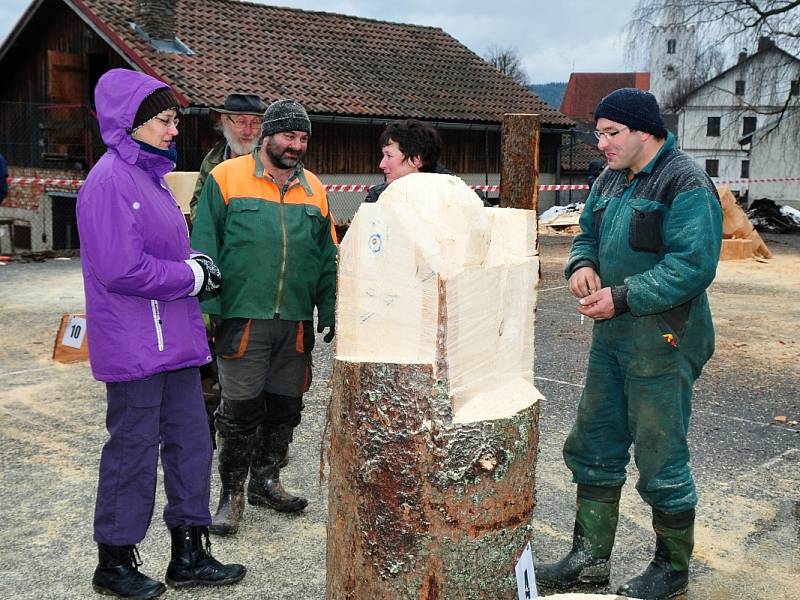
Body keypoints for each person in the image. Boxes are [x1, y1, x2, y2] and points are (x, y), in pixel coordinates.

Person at [536, 88, 722, 600]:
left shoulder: (685, 182)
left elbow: (692, 266)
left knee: (661, 455)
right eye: (598, 133)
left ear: (646, 130)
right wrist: (582, 265)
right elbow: (586, 233)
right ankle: (588, 560)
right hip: (614, 338)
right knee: (594, 444)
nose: (602, 143)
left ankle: (672, 567)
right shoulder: (612, 180)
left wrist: (622, 296)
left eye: (611, 133)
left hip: (664, 339)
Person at [77, 68, 246, 599]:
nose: (175, 130)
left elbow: (163, 251)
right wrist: (189, 277)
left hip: (173, 340)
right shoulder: (108, 182)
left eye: (175, 119)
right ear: (133, 122)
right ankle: (114, 561)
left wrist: (192, 260)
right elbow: (120, 268)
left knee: (191, 445)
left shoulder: (150, 178)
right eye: (167, 120)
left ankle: (189, 553)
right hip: (134, 346)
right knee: (132, 451)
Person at [191, 99, 337, 535]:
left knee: (286, 407)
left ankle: (266, 481)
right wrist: (204, 314)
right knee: (239, 410)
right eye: (289, 136)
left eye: (303, 138)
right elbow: (203, 248)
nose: (296, 145)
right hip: (242, 317)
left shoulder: (314, 188)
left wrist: (327, 307)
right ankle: (230, 495)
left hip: (294, 321)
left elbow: (327, 255)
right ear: (268, 136)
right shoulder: (225, 178)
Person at [188, 92, 266, 221]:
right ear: (225, 121)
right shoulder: (212, 161)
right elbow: (198, 205)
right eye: (241, 122)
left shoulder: (269, 162)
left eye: (255, 122)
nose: (248, 131)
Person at [363, 118, 443, 203]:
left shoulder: (450, 201)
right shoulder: (377, 198)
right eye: (384, 156)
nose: (381, 165)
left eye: (389, 156)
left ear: (415, 160)